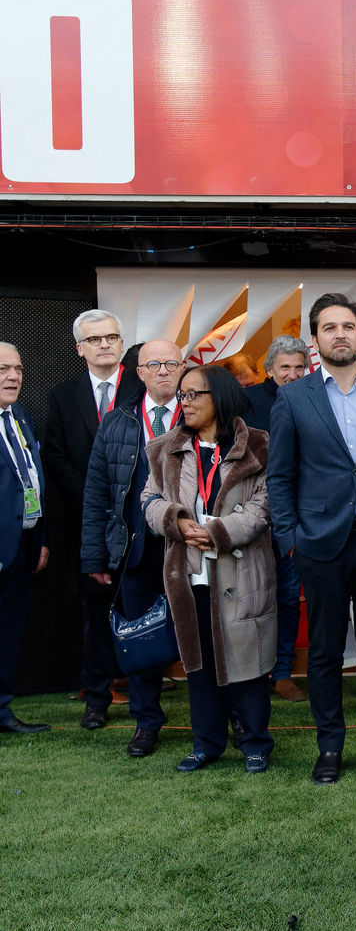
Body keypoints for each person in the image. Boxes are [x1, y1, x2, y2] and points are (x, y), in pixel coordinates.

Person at [267, 293, 356, 785]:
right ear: (315, 339)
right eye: (329, 327)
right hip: (318, 543)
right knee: (324, 652)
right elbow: (279, 476)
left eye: (348, 326)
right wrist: (290, 539)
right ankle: (329, 746)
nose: (340, 334)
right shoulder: (293, 397)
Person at [141, 365, 276, 773]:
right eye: (181, 395)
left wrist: (218, 532)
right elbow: (149, 499)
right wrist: (177, 521)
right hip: (189, 574)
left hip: (241, 574)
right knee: (199, 664)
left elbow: (264, 505)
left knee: (247, 661)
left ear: (220, 396)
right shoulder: (164, 449)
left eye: (193, 394)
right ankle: (206, 744)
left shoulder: (258, 445)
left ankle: (255, 743)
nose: (184, 403)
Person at [79, 339, 184, 757]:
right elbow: (97, 494)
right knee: (140, 639)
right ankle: (146, 722)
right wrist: (95, 555)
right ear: (138, 373)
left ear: (183, 368)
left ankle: (219, 718)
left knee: (205, 635)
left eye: (171, 363)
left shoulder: (202, 413)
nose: (164, 371)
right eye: (154, 364)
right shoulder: (117, 421)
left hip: (190, 548)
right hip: (135, 550)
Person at [44, 309, 143, 730]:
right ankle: (97, 698)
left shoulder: (142, 387)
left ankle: (145, 700)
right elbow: (55, 458)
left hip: (139, 520)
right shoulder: (62, 395)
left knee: (142, 609)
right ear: (79, 348)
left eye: (112, 337)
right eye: (95, 339)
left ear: (121, 343)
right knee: (96, 615)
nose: (105, 344)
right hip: (88, 525)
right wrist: (96, 494)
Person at [243, 335, 310, 703]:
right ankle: (252, 671)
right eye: (285, 367)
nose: (292, 374)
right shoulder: (248, 401)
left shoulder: (315, 397)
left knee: (288, 595)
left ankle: (282, 671)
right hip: (252, 513)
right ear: (269, 369)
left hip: (297, 514)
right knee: (251, 596)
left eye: (299, 367)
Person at [0, 342, 51, 734]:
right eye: (3, 369)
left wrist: (41, 537)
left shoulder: (20, 416)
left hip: (20, 545)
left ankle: (1, 710)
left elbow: (31, 478)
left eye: (17, 369)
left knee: (8, 630)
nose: (13, 376)